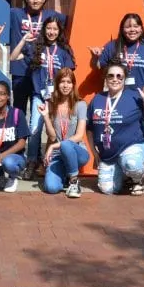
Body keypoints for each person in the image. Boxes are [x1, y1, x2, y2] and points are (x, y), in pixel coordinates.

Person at [90, 12, 144, 181]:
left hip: (143, 99)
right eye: (128, 26)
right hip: (119, 102)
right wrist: (95, 57)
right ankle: (123, 169)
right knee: (122, 135)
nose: (132, 30)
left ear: (141, 28)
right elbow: (98, 66)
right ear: (122, 29)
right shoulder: (113, 46)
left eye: (135, 26)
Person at [9, 15, 76, 176]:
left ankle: (54, 161)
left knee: (59, 129)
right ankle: (32, 160)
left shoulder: (64, 50)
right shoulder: (35, 47)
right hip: (39, 95)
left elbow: (69, 73)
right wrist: (24, 40)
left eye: (55, 29)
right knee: (34, 129)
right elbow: (13, 57)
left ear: (59, 31)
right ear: (44, 30)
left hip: (59, 97)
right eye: (49, 28)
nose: (51, 32)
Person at [87, 62, 144, 196]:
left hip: (132, 147)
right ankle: (124, 175)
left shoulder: (134, 96)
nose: (115, 79)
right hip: (108, 155)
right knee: (108, 189)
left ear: (125, 79)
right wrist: (94, 154)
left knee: (131, 163)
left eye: (120, 76)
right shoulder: (97, 99)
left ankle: (137, 179)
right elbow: (89, 129)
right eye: (111, 76)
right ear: (105, 78)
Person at [0, 0, 66, 114]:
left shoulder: (51, 15)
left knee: (40, 109)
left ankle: (38, 134)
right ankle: (21, 134)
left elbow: (74, 19)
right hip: (20, 69)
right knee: (19, 109)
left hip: (43, 70)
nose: (35, 0)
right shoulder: (15, 13)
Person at [40, 68, 89, 198]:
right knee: (51, 188)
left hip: (77, 151)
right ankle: (65, 174)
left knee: (66, 145)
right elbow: (52, 136)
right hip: (58, 155)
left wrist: (53, 146)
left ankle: (74, 181)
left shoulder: (81, 104)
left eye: (69, 82)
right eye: (62, 81)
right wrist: (45, 116)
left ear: (73, 85)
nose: (65, 85)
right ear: (57, 84)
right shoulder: (51, 104)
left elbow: (79, 135)